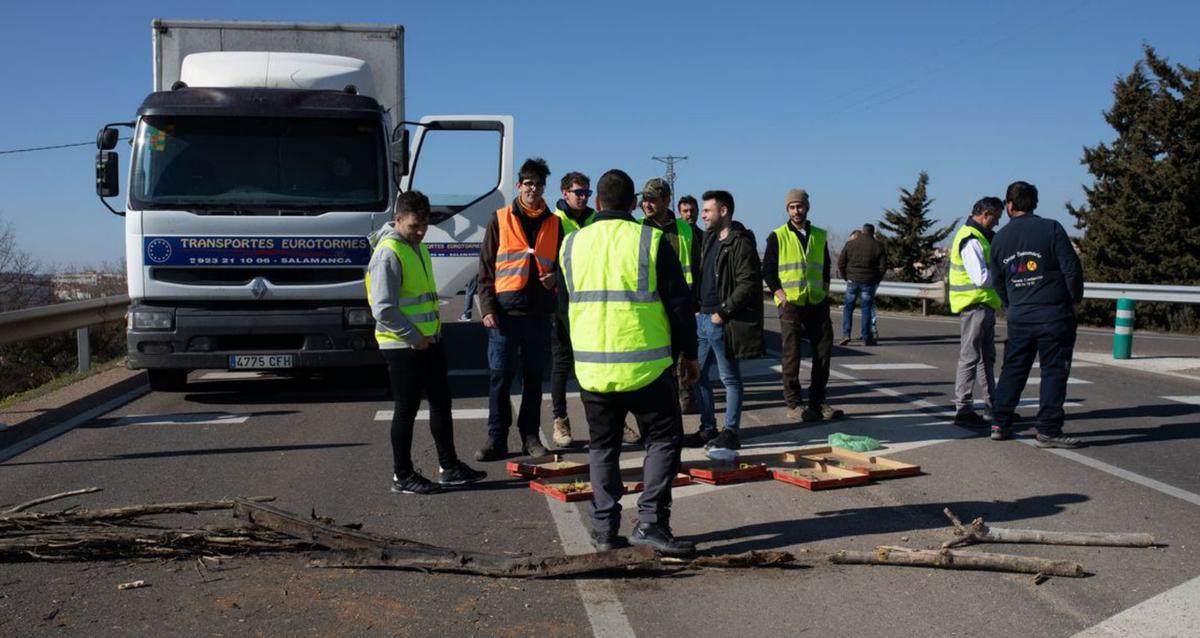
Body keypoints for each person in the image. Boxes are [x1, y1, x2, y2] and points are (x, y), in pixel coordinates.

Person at [558, 169, 700, 556]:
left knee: (603, 448)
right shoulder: (649, 240)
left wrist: (569, 357)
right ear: (634, 203)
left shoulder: (571, 244)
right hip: (647, 367)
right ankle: (651, 521)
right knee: (664, 440)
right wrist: (689, 355)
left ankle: (604, 529)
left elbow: (562, 308)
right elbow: (678, 305)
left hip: (592, 370)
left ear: (598, 202)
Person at [367, 191, 487, 495]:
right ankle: (402, 475)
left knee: (441, 402)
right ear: (397, 220)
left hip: (428, 340)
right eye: (413, 226)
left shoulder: (415, 247)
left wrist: (430, 334)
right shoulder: (388, 252)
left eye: (423, 226)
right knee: (406, 409)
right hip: (403, 345)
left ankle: (449, 467)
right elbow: (383, 308)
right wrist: (414, 337)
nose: (420, 232)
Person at [474, 158, 562, 461]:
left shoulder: (555, 222)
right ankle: (496, 438)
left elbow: (564, 264)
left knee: (534, 379)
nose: (533, 189)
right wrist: (486, 307)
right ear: (519, 185)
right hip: (504, 316)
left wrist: (557, 277)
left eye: (538, 184)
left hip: (538, 314)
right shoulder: (499, 219)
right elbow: (485, 268)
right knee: (500, 377)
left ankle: (530, 436)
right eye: (528, 183)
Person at [989, 181, 1084, 448]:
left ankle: (999, 422)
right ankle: (1047, 429)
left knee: (1013, 369)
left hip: (1019, 314)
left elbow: (997, 281)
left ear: (1009, 205)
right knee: (1053, 371)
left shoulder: (999, 239)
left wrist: (1012, 303)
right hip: (1054, 313)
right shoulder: (1052, 228)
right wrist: (1074, 300)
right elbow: (1072, 270)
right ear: (1035, 204)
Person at [688, 190, 765, 454]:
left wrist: (722, 313)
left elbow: (749, 284)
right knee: (696, 375)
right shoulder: (709, 238)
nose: (703, 215)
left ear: (724, 211)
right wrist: (698, 309)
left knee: (729, 378)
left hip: (722, 321)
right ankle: (708, 428)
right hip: (703, 319)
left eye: (708, 210)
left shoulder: (740, 242)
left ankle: (731, 432)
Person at [762, 188, 845, 423]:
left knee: (823, 353)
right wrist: (780, 293)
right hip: (791, 304)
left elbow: (826, 266)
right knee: (792, 355)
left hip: (817, 302)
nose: (796, 211)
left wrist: (825, 288)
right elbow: (767, 269)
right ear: (787, 210)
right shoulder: (777, 236)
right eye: (792, 207)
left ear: (807, 207)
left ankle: (818, 402)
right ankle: (794, 403)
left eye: (799, 206)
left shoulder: (819, 234)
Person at [641, 178, 703, 422]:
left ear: (667, 201)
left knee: (683, 358)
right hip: (650, 309)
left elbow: (698, 266)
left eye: (652, 199)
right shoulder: (638, 228)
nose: (647, 204)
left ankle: (684, 401)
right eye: (644, 199)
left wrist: (697, 303)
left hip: (681, 305)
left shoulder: (685, 230)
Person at [549, 171, 596, 447]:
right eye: (578, 192)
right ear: (564, 193)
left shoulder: (593, 220)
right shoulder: (554, 221)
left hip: (592, 304)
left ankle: (604, 418)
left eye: (586, 193)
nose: (582, 198)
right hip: (562, 303)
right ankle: (560, 421)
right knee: (562, 363)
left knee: (593, 363)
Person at [949, 197, 1003, 429]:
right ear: (986, 215)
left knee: (985, 359)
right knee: (971, 358)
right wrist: (1003, 279)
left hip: (983, 306)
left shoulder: (979, 237)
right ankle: (963, 409)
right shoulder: (971, 239)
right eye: (997, 218)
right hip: (974, 305)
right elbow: (981, 278)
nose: (998, 223)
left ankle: (992, 407)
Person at [837, 223, 887, 346]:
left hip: (852, 281)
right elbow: (882, 267)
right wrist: (876, 280)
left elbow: (841, 262)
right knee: (866, 309)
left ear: (863, 231)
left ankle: (846, 334)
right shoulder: (878, 246)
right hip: (868, 282)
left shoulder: (850, 244)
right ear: (873, 232)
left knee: (848, 308)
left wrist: (846, 277)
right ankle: (866, 337)